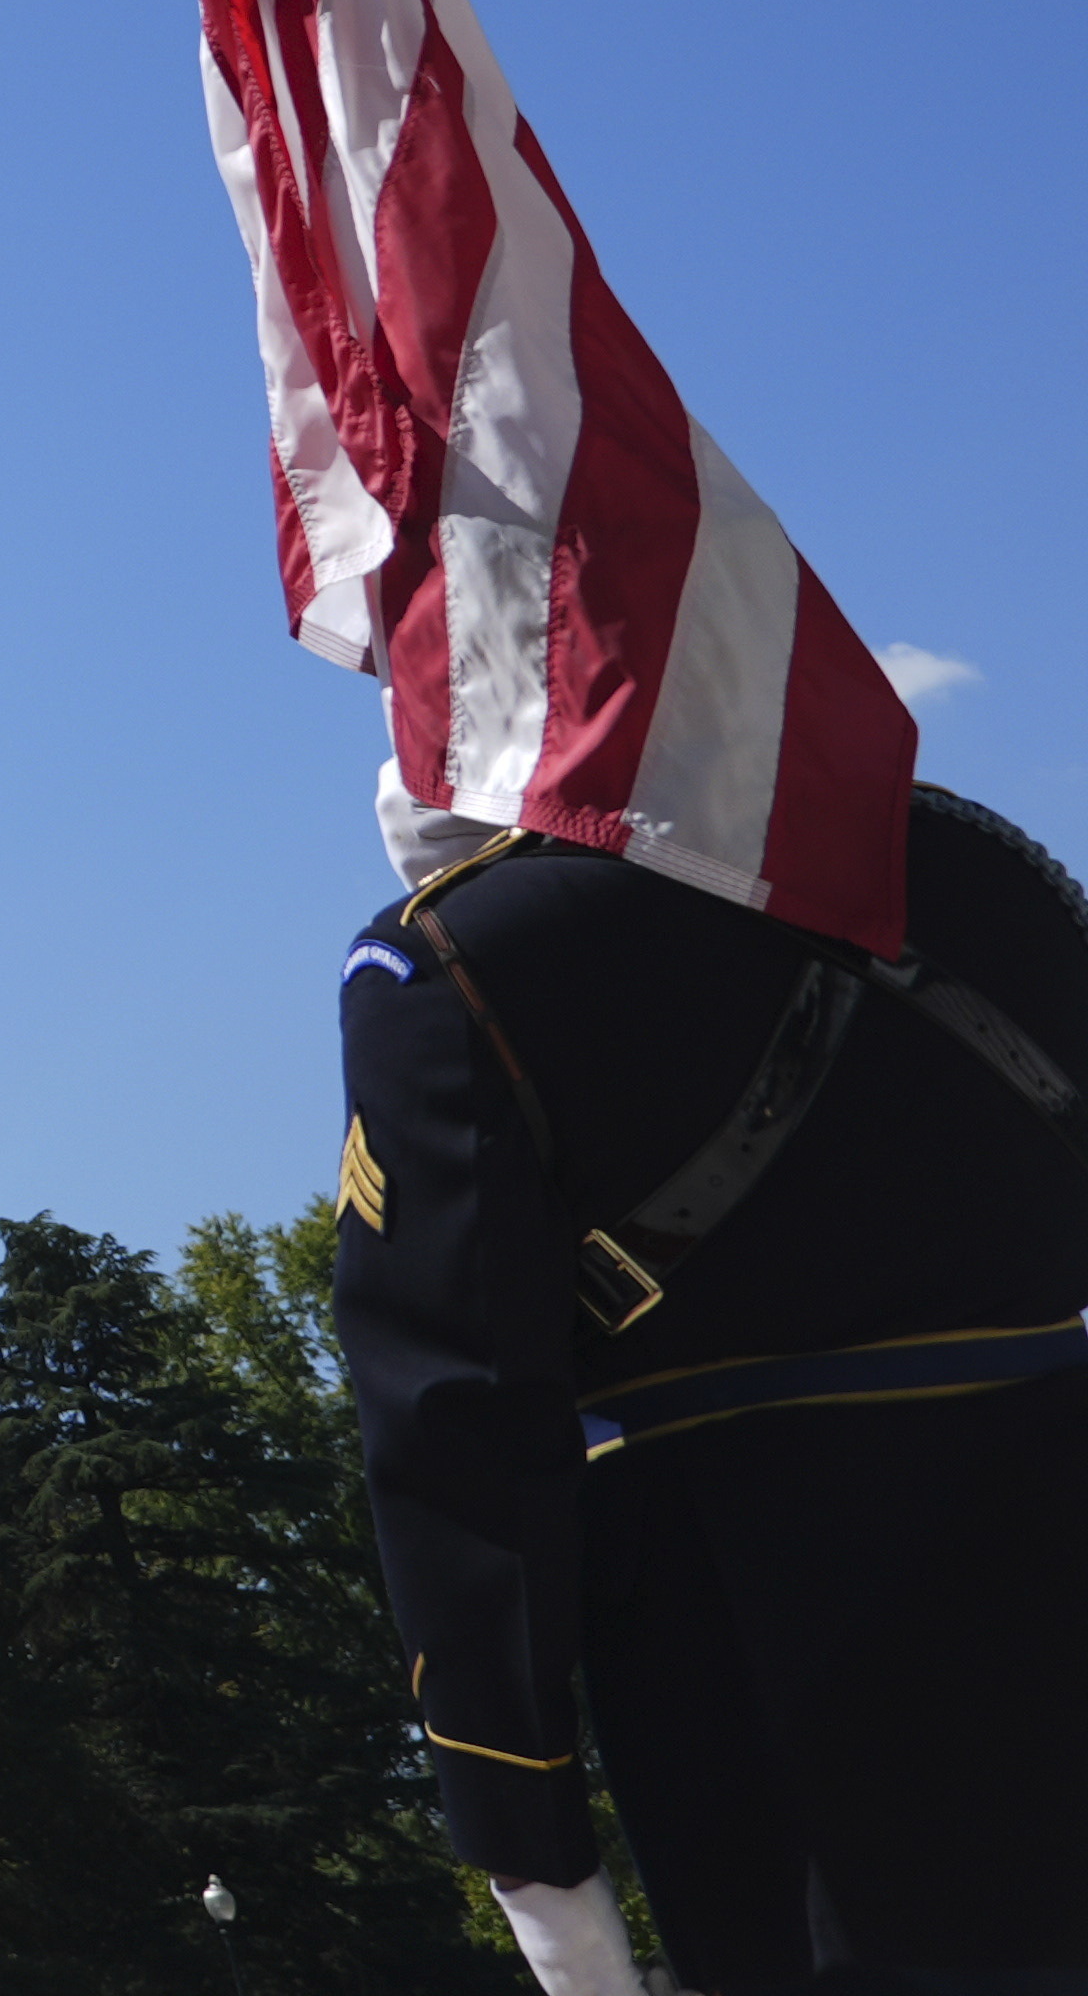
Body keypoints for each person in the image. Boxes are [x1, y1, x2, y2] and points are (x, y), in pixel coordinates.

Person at [336, 774, 1088, 1996]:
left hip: (782, 1691)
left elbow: (455, 1439)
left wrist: (535, 1856)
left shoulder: (460, 954)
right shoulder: (976, 860)